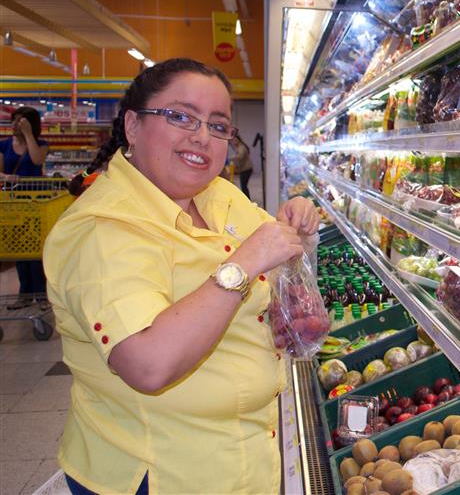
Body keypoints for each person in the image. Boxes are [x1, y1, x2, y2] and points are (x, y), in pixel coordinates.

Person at [43, 58, 319, 494]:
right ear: (133, 126)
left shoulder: (217, 194)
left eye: (218, 125)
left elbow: (266, 264)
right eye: (180, 116)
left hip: (236, 462)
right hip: (162, 474)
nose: (201, 136)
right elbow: (147, 363)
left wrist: (293, 239)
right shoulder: (102, 229)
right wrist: (245, 264)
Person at [2, 106, 50, 309]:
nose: (16, 125)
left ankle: (40, 295)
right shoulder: (4, 145)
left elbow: (36, 159)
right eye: (14, 121)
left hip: (36, 203)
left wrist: (29, 135)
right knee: (19, 248)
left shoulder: (41, 144)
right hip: (13, 203)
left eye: (21, 121)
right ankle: (24, 293)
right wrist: (6, 177)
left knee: (37, 249)